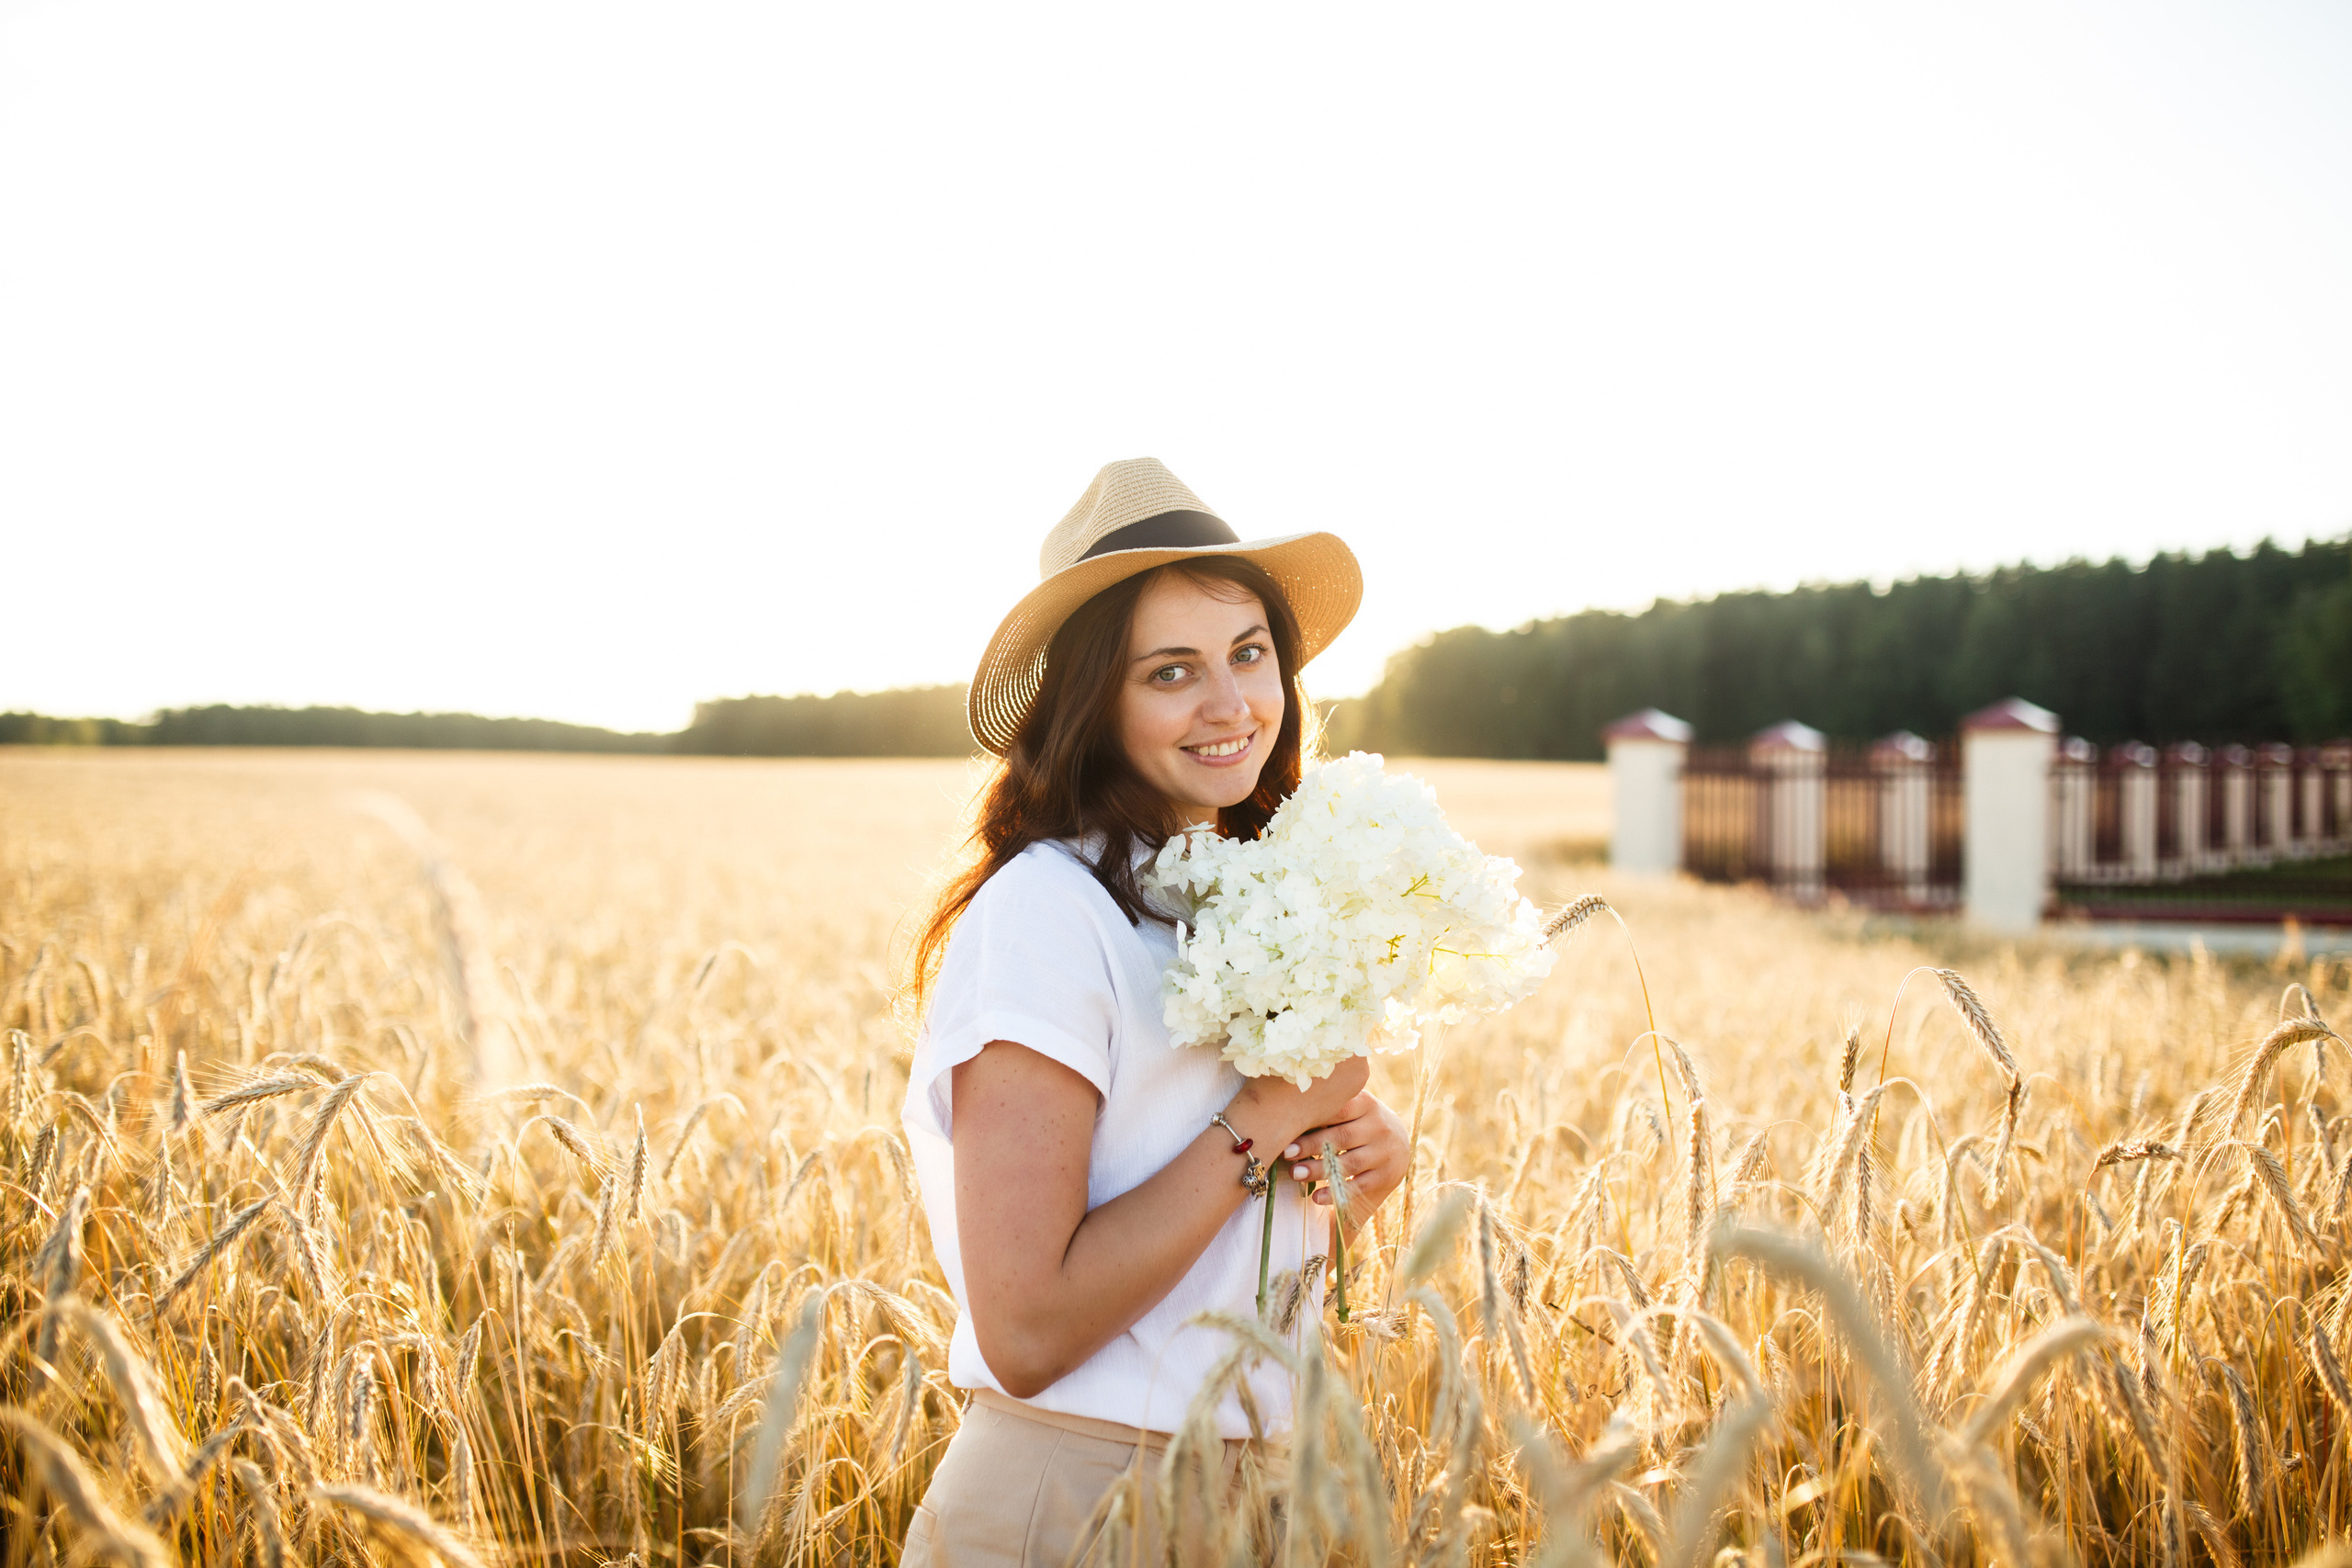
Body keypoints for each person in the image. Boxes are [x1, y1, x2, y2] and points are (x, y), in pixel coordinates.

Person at [899, 458, 1412, 1565]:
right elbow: (1029, 1329)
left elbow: (1214, 1248)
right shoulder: (1048, 910)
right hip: (1077, 1496)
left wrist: (1345, 1175)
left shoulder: (1250, 893)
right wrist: (1266, 1116)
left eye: (1248, 655)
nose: (1231, 706)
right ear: (1095, 701)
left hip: (1260, 1496)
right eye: (1171, 672)